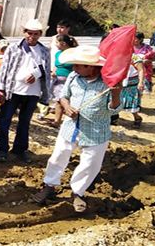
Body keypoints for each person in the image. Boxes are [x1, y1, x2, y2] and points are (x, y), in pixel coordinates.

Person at [33, 46, 122, 213]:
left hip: (96, 131)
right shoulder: (74, 77)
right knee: (58, 156)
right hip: (70, 126)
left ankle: (77, 192)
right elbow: (63, 96)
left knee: (90, 164)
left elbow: (115, 110)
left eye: (78, 65)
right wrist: (67, 107)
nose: (74, 68)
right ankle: (49, 185)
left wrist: (116, 94)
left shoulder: (109, 83)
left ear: (91, 67)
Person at [0, 18, 51, 164]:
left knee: (25, 122)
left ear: (40, 34)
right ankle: (2, 149)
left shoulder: (44, 51)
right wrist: (0, 88)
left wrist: (36, 76)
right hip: (12, 90)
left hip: (32, 92)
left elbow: (46, 70)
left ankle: (20, 149)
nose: (32, 36)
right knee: (5, 120)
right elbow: (4, 69)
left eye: (35, 34)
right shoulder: (13, 48)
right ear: (24, 32)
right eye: (29, 33)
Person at [50, 34, 78, 127]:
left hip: (69, 80)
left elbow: (76, 66)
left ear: (63, 43)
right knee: (58, 100)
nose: (56, 44)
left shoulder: (73, 53)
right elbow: (56, 65)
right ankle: (57, 120)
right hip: (57, 80)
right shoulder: (58, 53)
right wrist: (53, 72)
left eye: (57, 42)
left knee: (65, 100)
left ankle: (62, 121)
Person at [119, 54, 145, 128]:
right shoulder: (118, 55)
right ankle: (113, 117)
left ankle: (137, 118)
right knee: (117, 100)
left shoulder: (135, 57)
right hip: (120, 81)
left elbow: (141, 70)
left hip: (132, 83)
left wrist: (140, 82)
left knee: (131, 102)